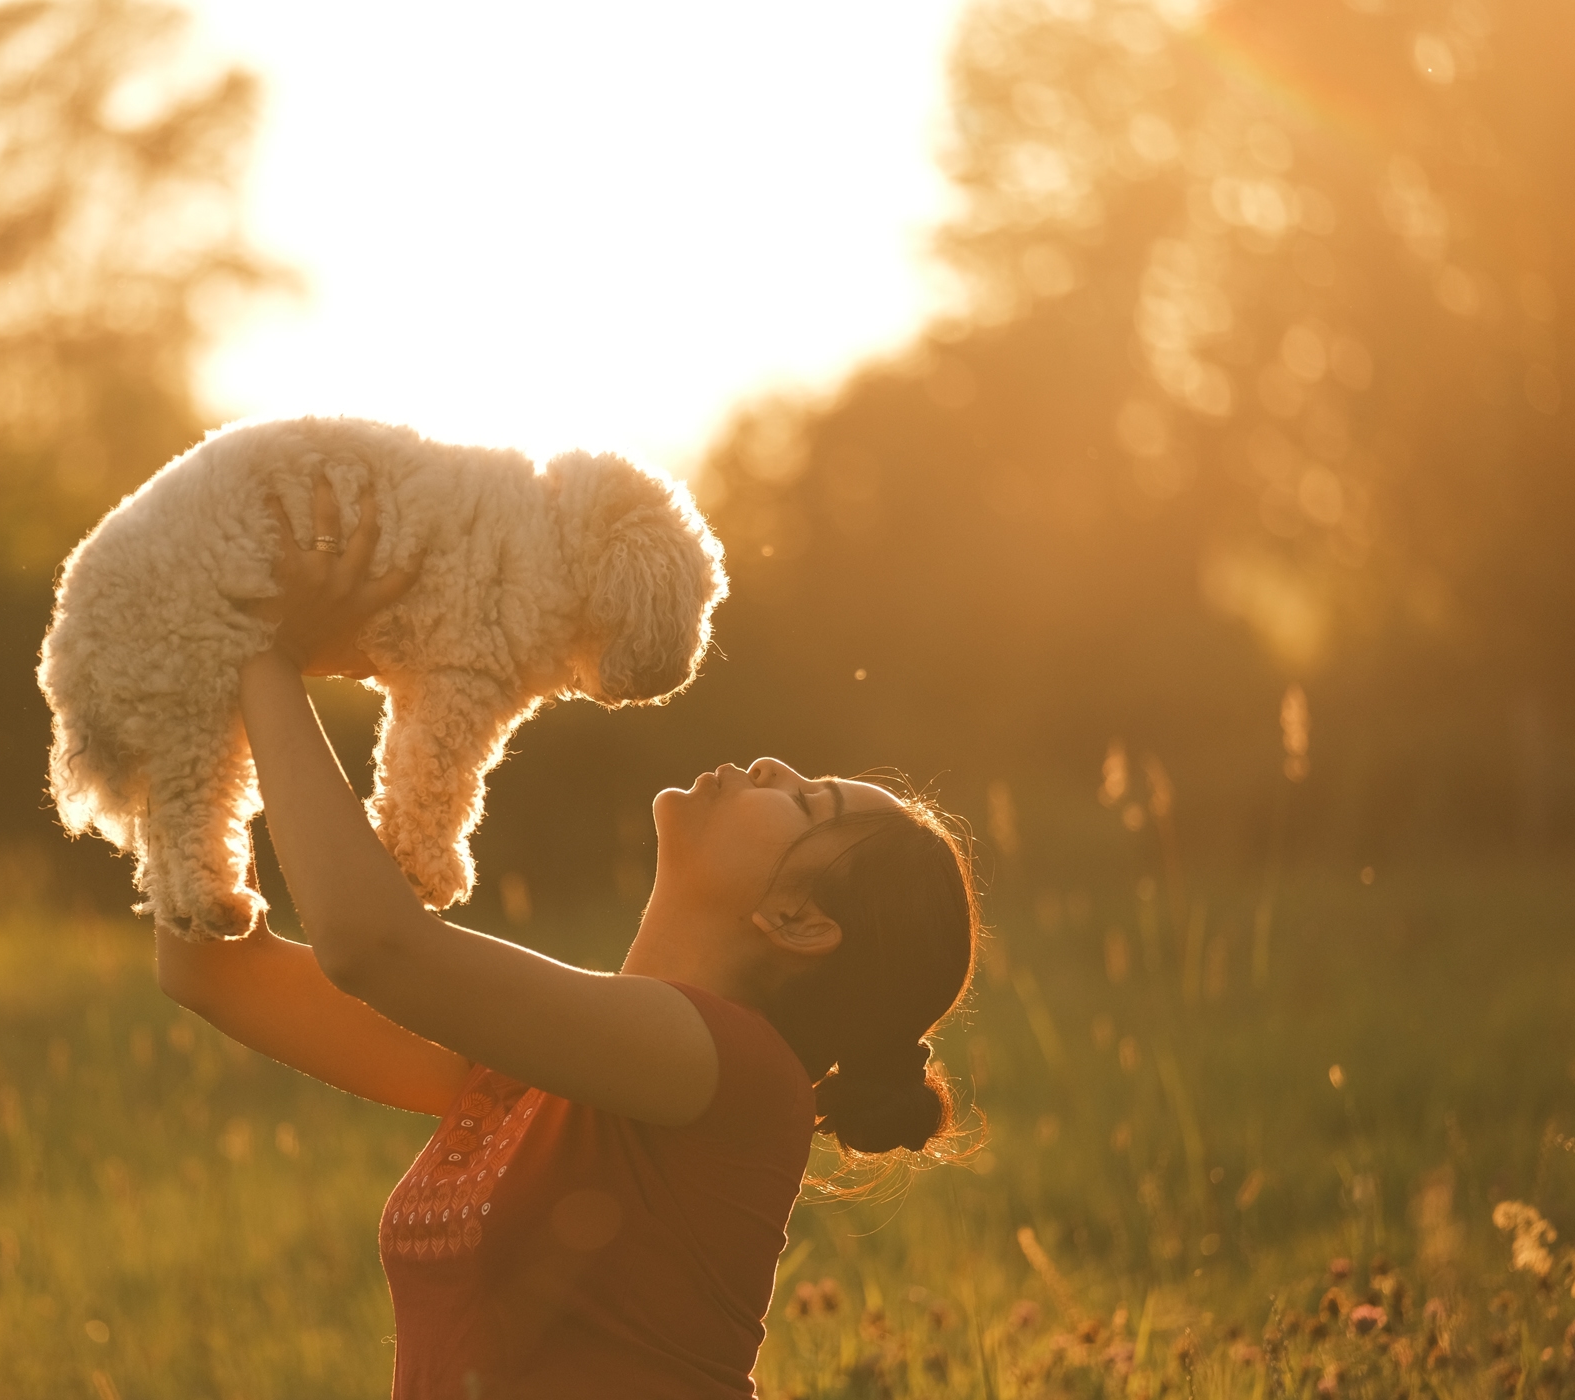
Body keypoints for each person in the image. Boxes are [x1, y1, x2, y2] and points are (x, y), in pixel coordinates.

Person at [156, 480, 981, 1399]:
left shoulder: (735, 1070)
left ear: (798, 923)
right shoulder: (542, 1067)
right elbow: (208, 967)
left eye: (807, 803)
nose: (771, 767)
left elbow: (371, 946)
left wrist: (266, 650)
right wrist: (201, 676)